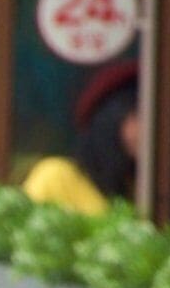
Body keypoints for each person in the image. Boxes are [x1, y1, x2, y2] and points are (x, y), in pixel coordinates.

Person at [19, 59, 138, 215]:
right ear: (110, 121)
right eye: (137, 115)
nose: (148, 128)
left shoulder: (147, 187)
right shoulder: (57, 178)